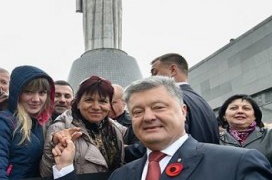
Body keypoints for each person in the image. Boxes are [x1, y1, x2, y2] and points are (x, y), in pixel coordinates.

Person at [51, 76, 272, 180]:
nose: (148, 117)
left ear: (183, 111)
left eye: (158, 107)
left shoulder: (237, 164)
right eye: (137, 112)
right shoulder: (122, 175)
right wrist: (64, 168)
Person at [0, 65, 55, 180]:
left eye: (42, 93)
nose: (36, 99)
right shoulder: (1, 122)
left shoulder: (40, 125)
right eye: (28, 92)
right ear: (17, 93)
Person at [40, 76, 124, 177]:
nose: (96, 107)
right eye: (89, 100)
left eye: (102, 101)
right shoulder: (60, 129)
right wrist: (53, 148)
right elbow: (46, 174)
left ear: (109, 105)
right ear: (78, 103)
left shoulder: (114, 130)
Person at [150, 53, 219, 144]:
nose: (152, 78)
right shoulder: (203, 102)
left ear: (173, 70)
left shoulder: (172, 99)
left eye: (155, 73)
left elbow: (168, 140)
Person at [218, 94, 272, 164]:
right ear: (224, 116)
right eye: (233, 108)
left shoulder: (269, 135)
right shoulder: (216, 140)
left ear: (255, 116)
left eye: (246, 108)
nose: (240, 111)